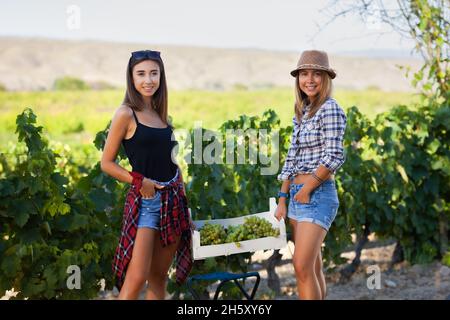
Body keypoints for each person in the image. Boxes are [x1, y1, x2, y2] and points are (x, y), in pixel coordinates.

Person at [101, 50, 192, 300]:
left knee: (159, 277)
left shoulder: (159, 114)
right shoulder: (125, 113)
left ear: (161, 76)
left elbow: (172, 162)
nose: (148, 79)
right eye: (141, 74)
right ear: (131, 78)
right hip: (147, 202)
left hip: (173, 201)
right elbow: (106, 163)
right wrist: (140, 181)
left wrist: (184, 203)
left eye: (154, 73)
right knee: (137, 276)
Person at [274, 50, 347, 300]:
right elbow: (291, 157)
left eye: (317, 74)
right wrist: (283, 197)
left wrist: (307, 189)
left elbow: (334, 156)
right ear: (298, 79)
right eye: (304, 74)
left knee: (301, 267)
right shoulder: (303, 111)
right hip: (297, 196)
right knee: (312, 267)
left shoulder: (330, 109)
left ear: (326, 78)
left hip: (316, 196)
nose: (310, 79)